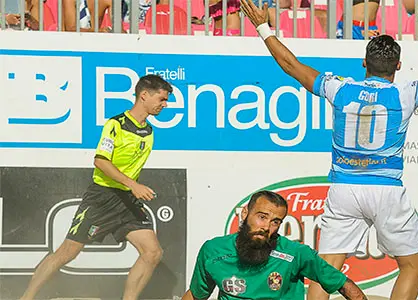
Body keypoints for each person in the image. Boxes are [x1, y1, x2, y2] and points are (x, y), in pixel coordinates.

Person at [239, 0, 418, 298]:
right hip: (386, 190)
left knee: (325, 269)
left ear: (364, 64)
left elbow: (292, 65)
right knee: (412, 267)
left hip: (344, 188)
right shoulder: (406, 93)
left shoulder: (339, 88)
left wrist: (263, 26)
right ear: (398, 66)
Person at [20, 74, 172, 300]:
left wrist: (131, 188)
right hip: (102, 198)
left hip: (126, 201)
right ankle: (26, 297)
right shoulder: (116, 124)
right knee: (67, 253)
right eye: (161, 99)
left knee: (152, 253)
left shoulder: (149, 132)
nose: (165, 104)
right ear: (143, 96)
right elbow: (100, 161)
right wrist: (133, 184)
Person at [181, 190, 367, 300]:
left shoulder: (296, 253)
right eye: (262, 217)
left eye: (275, 222)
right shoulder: (213, 251)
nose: (266, 227)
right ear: (245, 213)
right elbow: (197, 295)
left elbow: (344, 285)